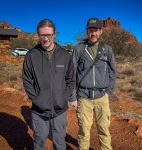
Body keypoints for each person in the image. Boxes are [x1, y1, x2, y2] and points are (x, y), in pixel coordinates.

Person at [22, 19, 75, 150]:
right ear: (38, 34)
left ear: (54, 34)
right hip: (39, 110)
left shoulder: (65, 55)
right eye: (42, 35)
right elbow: (27, 80)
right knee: (39, 142)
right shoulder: (31, 55)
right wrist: (37, 99)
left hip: (60, 110)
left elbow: (71, 79)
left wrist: (64, 98)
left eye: (48, 35)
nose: (45, 38)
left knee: (60, 142)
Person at [70, 17, 116, 150]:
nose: (93, 33)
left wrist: (109, 90)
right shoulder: (79, 49)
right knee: (84, 130)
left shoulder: (107, 49)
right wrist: (72, 96)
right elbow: (71, 74)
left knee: (104, 129)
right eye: (91, 30)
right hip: (84, 97)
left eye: (96, 30)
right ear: (87, 31)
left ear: (100, 31)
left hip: (102, 96)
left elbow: (112, 72)